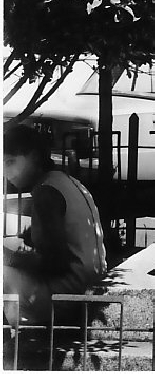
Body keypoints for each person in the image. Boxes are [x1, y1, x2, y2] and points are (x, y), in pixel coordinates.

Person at [3, 124, 106, 330]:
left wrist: (12, 258)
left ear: (34, 156)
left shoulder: (46, 193)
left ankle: (13, 346)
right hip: (89, 286)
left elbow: (56, 263)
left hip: (67, 296)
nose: (6, 173)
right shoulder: (66, 181)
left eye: (11, 162)